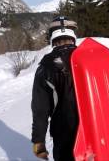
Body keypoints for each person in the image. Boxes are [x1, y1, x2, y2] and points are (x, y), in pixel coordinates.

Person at [31, 16, 79, 161]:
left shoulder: (46, 67)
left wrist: (38, 140)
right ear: (73, 36)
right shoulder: (90, 58)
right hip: (98, 129)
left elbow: (41, 109)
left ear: (52, 38)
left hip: (65, 133)